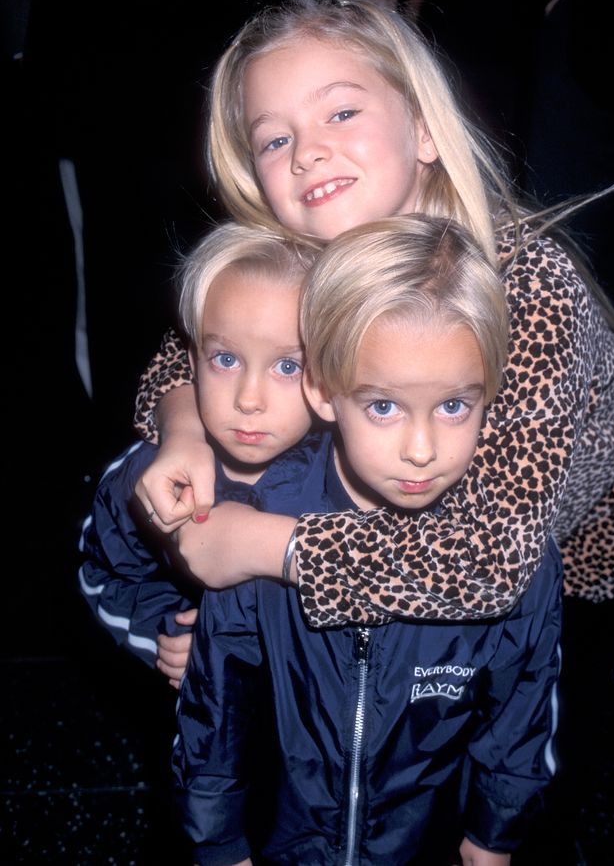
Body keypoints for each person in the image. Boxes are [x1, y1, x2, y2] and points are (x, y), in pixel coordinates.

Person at [133, 0, 614, 633]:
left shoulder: (531, 287)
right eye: (275, 138)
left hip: (574, 562)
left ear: (423, 128)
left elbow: (489, 563)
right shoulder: (306, 254)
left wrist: (263, 546)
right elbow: (183, 360)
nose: (306, 152)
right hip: (383, 531)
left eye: (340, 113)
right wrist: (182, 432)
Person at [173, 215, 563, 866]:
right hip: (281, 842)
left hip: (420, 843)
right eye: (383, 405)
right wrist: (218, 841)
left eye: (453, 406)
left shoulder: (516, 553)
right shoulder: (260, 513)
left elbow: (523, 709)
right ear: (324, 390)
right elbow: (216, 709)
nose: (420, 450)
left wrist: (494, 834)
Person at [78, 221, 321, 687]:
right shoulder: (144, 476)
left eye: (288, 366)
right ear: (191, 365)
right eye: (226, 360)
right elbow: (103, 574)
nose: (249, 399)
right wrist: (164, 632)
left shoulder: (352, 476)